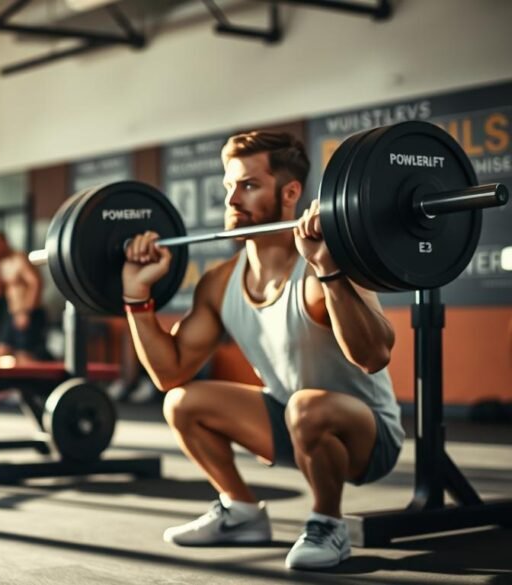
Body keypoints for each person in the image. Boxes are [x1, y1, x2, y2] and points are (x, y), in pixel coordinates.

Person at [121, 131, 403, 571]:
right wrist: (137, 297)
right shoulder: (220, 282)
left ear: (290, 193)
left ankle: (328, 523)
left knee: (307, 408)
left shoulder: (323, 264)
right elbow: (169, 373)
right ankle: (241, 511)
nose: (233, 199)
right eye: (229, 186)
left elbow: (374, 355)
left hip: (367, 437)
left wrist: (329, 270)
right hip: (288, 420)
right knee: (183, 403)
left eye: (249, 185)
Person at [0, 231, 50, 364]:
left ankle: (33, 384)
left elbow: (36, 283)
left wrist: (26, 312)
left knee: (24, 356)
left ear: (4, 244)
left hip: (29, 312)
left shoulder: (19, 259)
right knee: (0, 351)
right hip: (12, 313)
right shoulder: (0, 264)